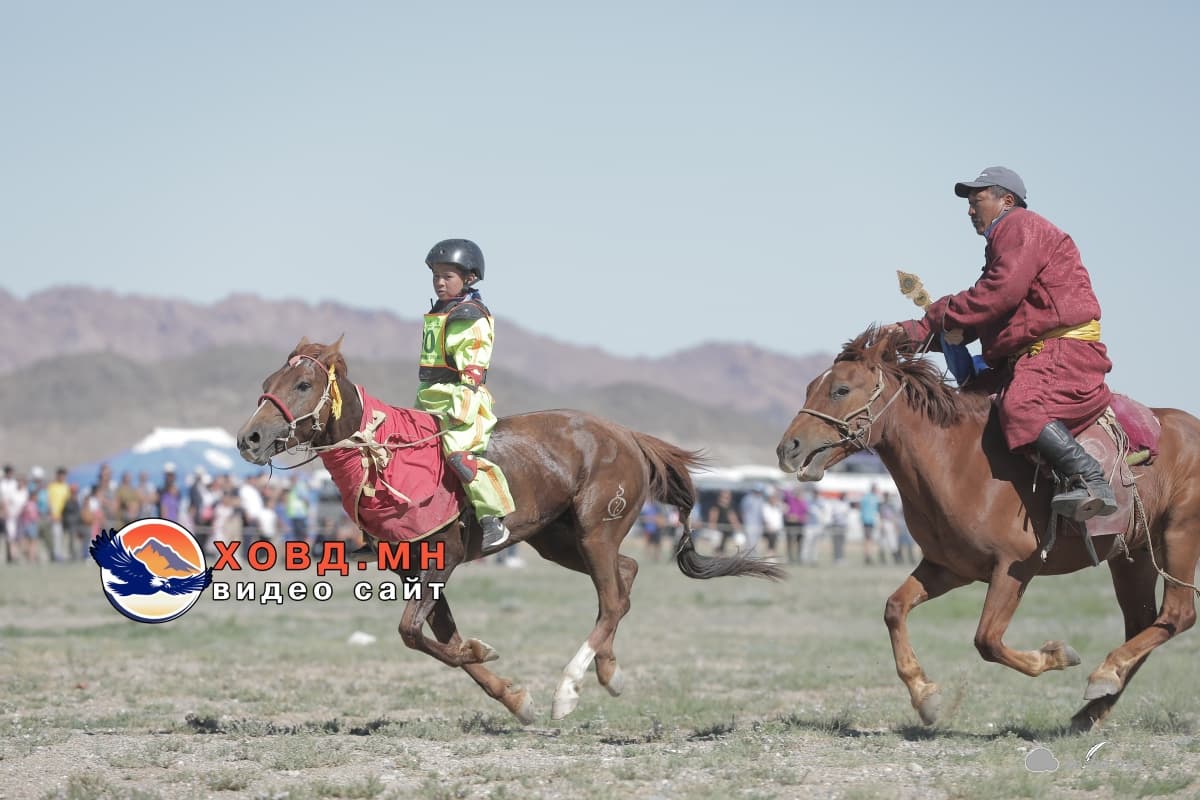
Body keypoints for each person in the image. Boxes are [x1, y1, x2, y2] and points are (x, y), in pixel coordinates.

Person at [892, 166, 1116, 522]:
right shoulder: (1006, 240)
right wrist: (914, 335)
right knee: (967, 406)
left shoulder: (1019, 225)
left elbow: (997, 294)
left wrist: (932, 321)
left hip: (1060, 352)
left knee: (1021, 405)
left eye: (976, 200)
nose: (969, 211)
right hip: (1031, 355)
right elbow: (988, 313)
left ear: (1007, 200)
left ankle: (1089, 479)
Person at [416, 238, 516, 551]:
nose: (439, 282)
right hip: (428, 398)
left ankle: (492, 518)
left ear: (469, 278)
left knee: (459, 456)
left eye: (447, 276)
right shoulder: (440, 311)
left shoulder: (470, 315)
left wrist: (461, 407)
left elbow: (472, 369)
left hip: (462, 399)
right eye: (436, 276)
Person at [858, 483, 881, 565]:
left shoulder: (865, 497)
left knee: (867, 539)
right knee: (869, 539)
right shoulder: (875, 498)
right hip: (869, 520)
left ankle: (867, 555)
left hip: (866, 520)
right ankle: (868, 556)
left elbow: (861, 508)